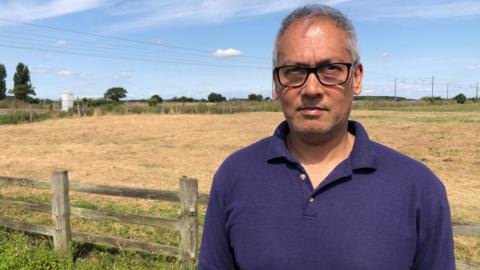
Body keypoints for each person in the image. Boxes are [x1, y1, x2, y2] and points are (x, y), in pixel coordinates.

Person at [197, 4, 455, 270]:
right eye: (294, 71)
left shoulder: (419, 188)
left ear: (356, 77)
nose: (311, 89)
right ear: (276, 83)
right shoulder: (235, 175)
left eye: (330, 68)